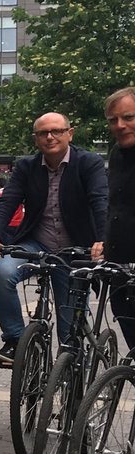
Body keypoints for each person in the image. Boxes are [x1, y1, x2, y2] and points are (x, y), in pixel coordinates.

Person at [0, 112, 107, 365]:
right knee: (2, 272)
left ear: (69, 134)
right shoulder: (27, 166)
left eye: (57, 131)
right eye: (43, 133)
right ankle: (15, 340)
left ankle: (71, 386)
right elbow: (6, 202)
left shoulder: (88, 163)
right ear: (35, 138)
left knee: (68, 337)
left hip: (75, 253)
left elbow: (100, 201)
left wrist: (103, 239)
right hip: (36, 245)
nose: (50, 137)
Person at [103, 86, 135, 349]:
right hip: (119, 265)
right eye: (113, 120)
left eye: (128, 117)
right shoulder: (116, 154)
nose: (120, 125)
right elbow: (114, 207)